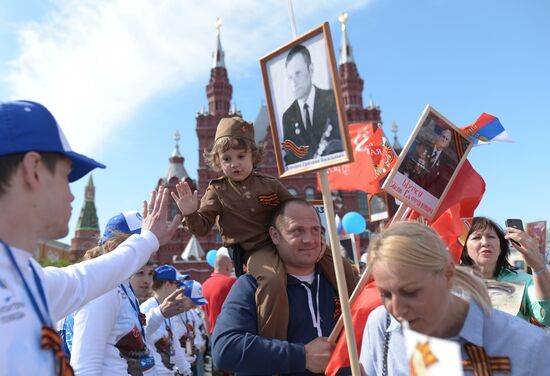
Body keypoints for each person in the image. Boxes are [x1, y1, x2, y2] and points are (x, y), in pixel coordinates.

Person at [0, 100, 180, 375]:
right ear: (32, 169)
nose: (72, 195)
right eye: (66, 176)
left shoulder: (27, 277)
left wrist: (148, 240)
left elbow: (87, 278)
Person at [172, 117, 356, 341]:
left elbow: (299, 210)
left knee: (337, 261)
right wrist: (190, 213)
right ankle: (273, 343)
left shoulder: (270, 184)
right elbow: (202, 228)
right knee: (271, 280)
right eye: (227, 159)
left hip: (286, 241)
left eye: (241, 157)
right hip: (257, 250)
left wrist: (320, 238)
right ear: (218, 161)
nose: (234, 164)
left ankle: (357, 312)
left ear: (254, 156)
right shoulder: (217, 191)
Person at [359, 221, 550, 375]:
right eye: (385, 294)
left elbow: (544, 314)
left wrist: (538, 267)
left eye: (410, 292)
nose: (397, 310)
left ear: (448, 275)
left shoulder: (530, 345)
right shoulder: (381, 324)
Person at [212, 199, 340, 375]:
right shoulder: (252, 286)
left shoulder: (338, 281)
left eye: (315, 230)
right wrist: (302, 356)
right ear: (275, 236)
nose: (309, 239)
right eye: (297, 230)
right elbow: (225, 348)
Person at [70, 211, 161, 375]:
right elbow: (85, 369)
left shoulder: (122, 287)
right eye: (138, 243)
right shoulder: (104, 290)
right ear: (113, 247)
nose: (147, 252)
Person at [460, 217, 550, 327]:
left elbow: (547, 317)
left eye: (491, 237)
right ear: (464, 248)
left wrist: (538, 266)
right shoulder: (452, 282)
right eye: (476, 237)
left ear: (501, 247)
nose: (485, 242)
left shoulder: (523, 282)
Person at [281, 44, 343, 166]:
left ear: (311, 70)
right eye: (290, 77)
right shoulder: (287, 116)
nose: (293, 82)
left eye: (298, 73)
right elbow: (290, 159)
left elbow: (341, 143)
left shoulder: (332, 99)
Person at [141, 265, 193, 376]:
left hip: (168, 372)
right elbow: (142, 338)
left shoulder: (169, 310)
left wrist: (187, 371)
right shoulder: (145, 309)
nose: (179, 290)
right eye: (177, 285)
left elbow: (175, 345)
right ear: (168, 284)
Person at [410, 128, 457, 198]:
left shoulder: (445, 162)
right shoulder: (424, 147)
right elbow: (410, 161)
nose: (444, 140)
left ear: (447, 144)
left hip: (423, 195)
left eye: (446, 139)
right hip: (409, 185)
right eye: (443, 136)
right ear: (439, 136)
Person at [202, 253, 236, 335]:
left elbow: (204, 316)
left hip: (213, 333)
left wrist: (209, 337)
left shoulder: (204, 285)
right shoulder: (231, 282)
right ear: (227, 267)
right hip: (229, 332)